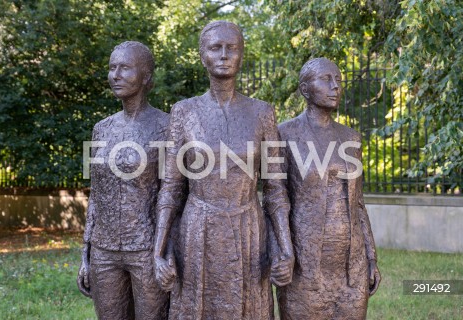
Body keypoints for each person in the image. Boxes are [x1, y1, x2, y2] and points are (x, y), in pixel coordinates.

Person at [153, 21, 294, 320]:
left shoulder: (262, 112)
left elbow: (275, 190)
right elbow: (171, 188)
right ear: (202, 55)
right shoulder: (184, 112)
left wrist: (285, 248)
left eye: (232, 48)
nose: (224, 55)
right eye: (215, 47)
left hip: (248, 230)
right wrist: (160, 250)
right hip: (198, 230)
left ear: (242, 55)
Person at [277, 58, 381, 319]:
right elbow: (275, 200)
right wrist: (279, 251)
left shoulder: (351, 138)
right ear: (305, 89)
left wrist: (371, 257)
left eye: (339, 80)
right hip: (305, 262)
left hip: (350, 265)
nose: (336, 86)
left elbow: (358, 204)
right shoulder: (284, 135)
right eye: (326, 79)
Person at [77, 41, 170, 320]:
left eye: (125, 68)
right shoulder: (101, 129)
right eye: (112, 68)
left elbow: (174, 194)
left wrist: (168, 252)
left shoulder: (166, 126)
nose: (115, 75)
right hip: (104, 250)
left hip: (146, 248)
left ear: (145, 77)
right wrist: (87, 252)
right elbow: (96, 194)